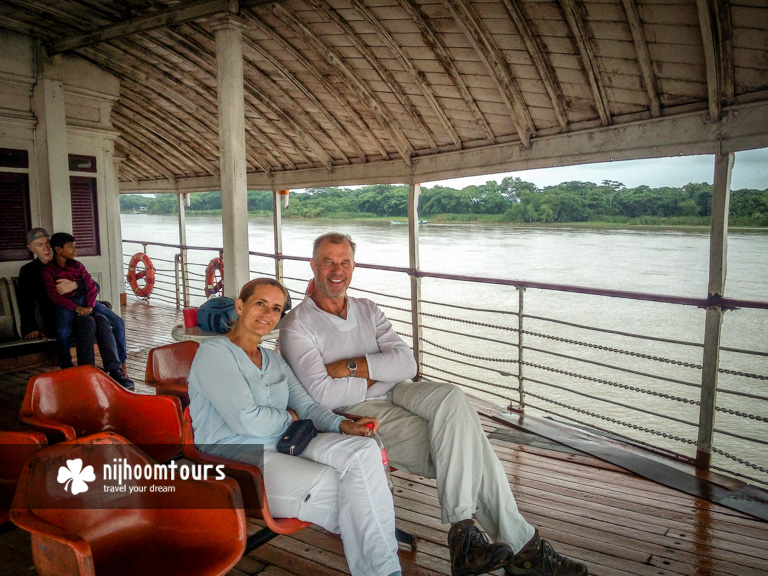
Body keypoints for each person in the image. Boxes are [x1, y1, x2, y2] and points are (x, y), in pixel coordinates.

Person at [279, 233, 589, 576]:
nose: (337, 271)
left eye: (345, 262)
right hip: (360, 411)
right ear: (312, 266)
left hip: (400, 390)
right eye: (328, 262)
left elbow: (407, 364)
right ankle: (519, 548)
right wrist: (377, 370)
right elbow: (323, 395)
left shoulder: (367, 309)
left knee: (453, 397)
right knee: (469, 447)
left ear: (354, 266)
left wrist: (352, 367)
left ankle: (468, 538)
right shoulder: (297, 326)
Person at [188, 278, 402, 576]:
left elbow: (308, 408)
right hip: (236, 457)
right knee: (351, 491)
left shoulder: (274, 360)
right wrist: (288, 417)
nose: (268, 314)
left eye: (276, 308)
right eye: (260, 303)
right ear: (240, 306)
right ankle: (385, 569)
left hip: (286, 442)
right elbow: (247, 420)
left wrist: (342, 425)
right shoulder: (214, 354)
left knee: (363, 450)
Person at [42, 232, 133, 389]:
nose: (74, 250)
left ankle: (120, 366)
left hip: (87, 302)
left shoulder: (77, 266)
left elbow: (92, 286)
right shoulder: (49, 271)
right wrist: (76, 308)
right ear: (58, 249)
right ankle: (67, 365)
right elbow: (55, 296)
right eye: (70, 247)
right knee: (63, 332)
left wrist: (89, 306)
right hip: (67, 305)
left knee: (117, 321)